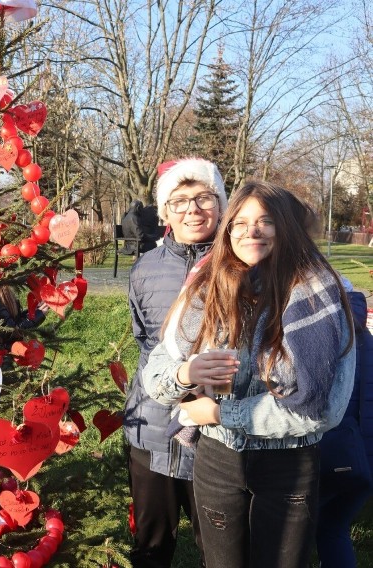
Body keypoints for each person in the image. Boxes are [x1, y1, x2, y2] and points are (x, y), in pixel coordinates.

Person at [143, 181, 356, 568]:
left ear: (287, 228)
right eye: (239, 223)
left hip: (288, 463)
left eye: (266, 221)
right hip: (217, 460)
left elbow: (322, 411)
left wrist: (223, 414)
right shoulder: (206, 290)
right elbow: (156, 374)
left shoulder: (320, 297)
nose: (250, 231)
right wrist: (185, 373)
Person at [124, 157, 227, 568]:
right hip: (151, 428)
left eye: (203, 198)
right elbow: (143, 339)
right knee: (151, 543)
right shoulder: (145, 269)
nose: (192, 210)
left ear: (219, 204)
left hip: (215, 430)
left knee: (219, 545)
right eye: (179, 201)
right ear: (165, 211)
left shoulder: (240, 263)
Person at [316, 281, 373, 567]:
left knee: (294, 534)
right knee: (334, 530)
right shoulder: (365, 336)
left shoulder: (316, 332)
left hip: (326, 452)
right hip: (362, 459)